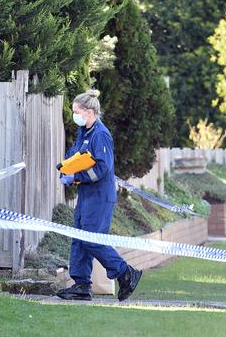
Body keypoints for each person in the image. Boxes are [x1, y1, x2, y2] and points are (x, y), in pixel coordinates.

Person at [56, 89, 142, 302]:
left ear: (89, 111)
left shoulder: (100, 134)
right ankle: (81, 285)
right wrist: (67, 170)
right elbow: (75, 155)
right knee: (80, 239)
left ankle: (125, 273)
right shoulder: (84, 132)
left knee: (93, 241)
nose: (74, 116)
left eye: (77, 111)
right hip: (87, 195)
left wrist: (77, 176)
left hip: (100, 197)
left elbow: (102, 168)